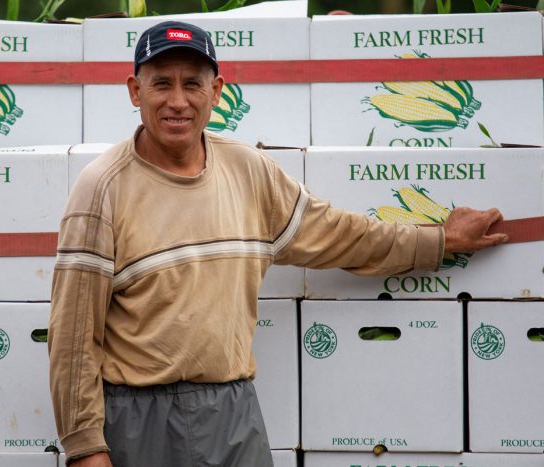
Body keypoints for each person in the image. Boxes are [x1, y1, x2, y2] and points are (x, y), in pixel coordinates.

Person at [48, 20, 508, 467]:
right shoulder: (102, 188)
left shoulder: (250, 173)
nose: (178, 101)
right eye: (160, 84)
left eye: (192, 83)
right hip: (139, 418)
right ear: (134, 91)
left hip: (233, 411)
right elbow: (72, 335)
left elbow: (343, 236)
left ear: (217, 91)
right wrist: (86, 447)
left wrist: (441, 240)